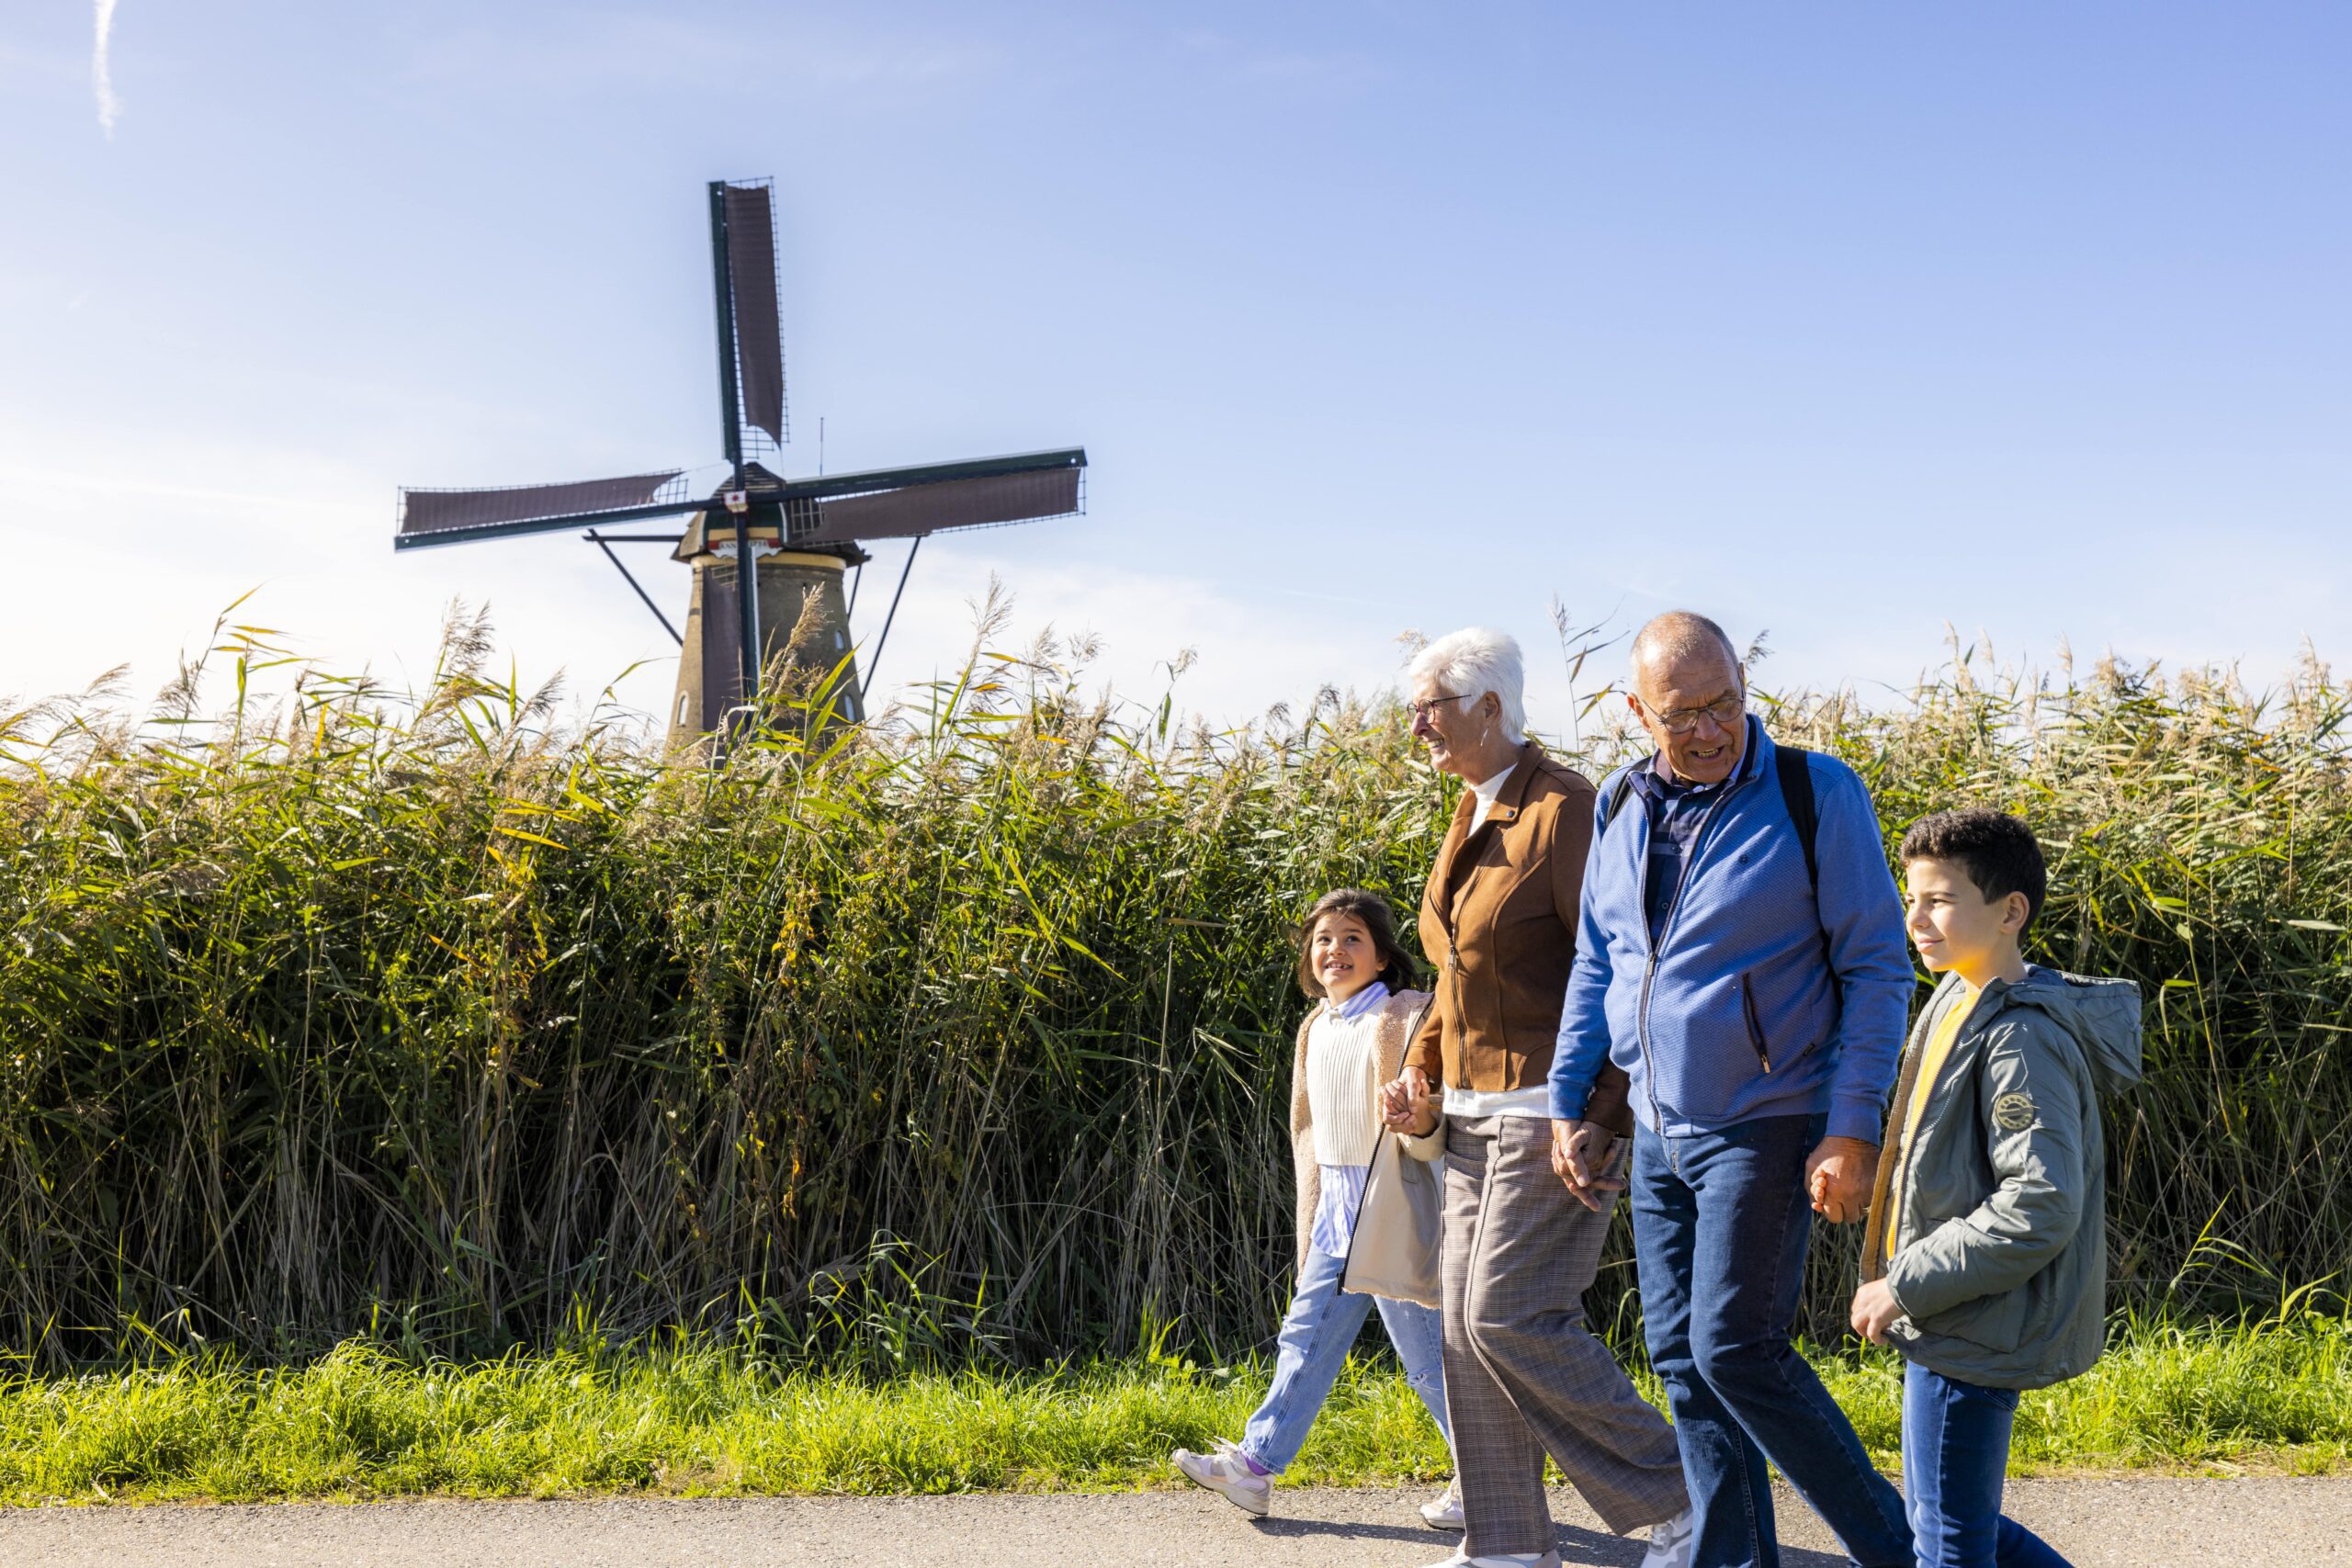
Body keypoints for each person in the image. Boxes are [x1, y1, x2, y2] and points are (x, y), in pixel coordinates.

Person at [1549, 611, 1917, 1568]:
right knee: (1679, 1358)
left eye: (1724, 704)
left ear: (1744, 684)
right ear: (1636, 711)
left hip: (1768, 1118)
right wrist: (1574, 1100)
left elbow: (1877, 967)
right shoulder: (1620, 807)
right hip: (1657, 1129)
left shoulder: (1811, 791)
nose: (1710, 730)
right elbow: (1602, 961)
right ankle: (1729, 1558)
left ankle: (1907, 1551)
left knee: (1735, 1350)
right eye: (1683, 716)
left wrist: (1852, 1127)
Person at [1379, 627, 1695, 1568]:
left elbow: (1621, 967)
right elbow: (1453, 972)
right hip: (1471, 1115)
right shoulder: (1472, 810)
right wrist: (1422, 1072)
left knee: (1511, 1315)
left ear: (1488, 706)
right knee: (1466, 1333)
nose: (1416, 726)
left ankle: (1687, 1494)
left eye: (1429, 706)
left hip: (1549, 1119)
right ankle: (1508, 1543)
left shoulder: (1564, 810)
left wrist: (1602, 1110)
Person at [1852, 809, 2141, 1568]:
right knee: (1943, 1523)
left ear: (2010, 911)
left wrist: (1904, 1282)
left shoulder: (2020, 1037)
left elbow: (2038, 1202)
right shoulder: (1958, 997)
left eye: (1939, 900)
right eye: (1910, 897)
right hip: (1951, 1313)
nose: (1916, 917)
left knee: (1948, 1544)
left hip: (1972, 1326)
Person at [1171, 888, 1461, 1529]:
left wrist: (1419, 1108)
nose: (1336, 949)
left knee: (1426, 1360)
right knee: (1305, 1336)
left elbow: (1438, 1080)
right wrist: (1317, 1204)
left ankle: (1487, 1476)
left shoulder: (1404, 1010)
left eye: (1354, 937)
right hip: (1338, 1207)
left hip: (1393, 1209)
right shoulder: (1315, 1027)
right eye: (1324, 938)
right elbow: (1309, 1131)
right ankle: (1255, 1464)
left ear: (1383, 956)